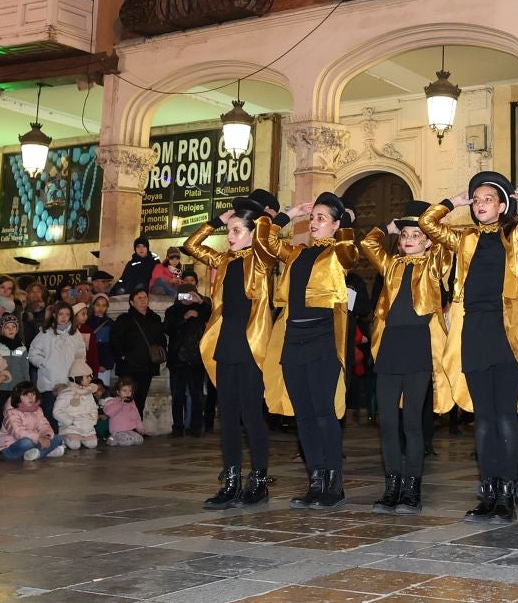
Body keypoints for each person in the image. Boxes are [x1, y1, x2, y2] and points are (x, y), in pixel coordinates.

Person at [423, 171, 518, 523]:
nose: (480, 203)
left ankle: (507, 491)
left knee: (505, 416)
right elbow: (428, 223)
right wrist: (451, 203)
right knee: (483, 419)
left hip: (505, 331)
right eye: (476, 199)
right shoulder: (465, 238)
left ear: (502, 205)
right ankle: (488, 489)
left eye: (488, 198)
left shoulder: (514, 235)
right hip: (473, 330)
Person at [261, 193, 359, 509]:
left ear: (335, 224)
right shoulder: (296, 253)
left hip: (323, 340)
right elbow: (265, 241)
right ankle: (315, 480)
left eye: (322, 218)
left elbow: (351, 254)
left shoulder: (339, 252)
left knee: (323, 413)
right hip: (293, 340)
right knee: (303, 416)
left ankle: (334, 482)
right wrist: (286, 215)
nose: (314, 222)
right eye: (313, 217)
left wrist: (347, 223)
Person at [183, 192, 280, 509]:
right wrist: (217, 221)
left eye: (238, 230)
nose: (231, 235)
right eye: (230, 230)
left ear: (253, 233)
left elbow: (268, 238)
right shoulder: (223, 260)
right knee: (228, 418)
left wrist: (272, 217)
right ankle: (231, 483)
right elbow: (191, 246)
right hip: (226, 343)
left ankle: (260, 482)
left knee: (251, 416)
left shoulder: (261, 259)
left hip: (251, 345)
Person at [358, 198, 453, 515]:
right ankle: (392, 485)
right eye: (404, 235)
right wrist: (385, 228)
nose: (409, 239)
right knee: (387, 422)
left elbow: (440, 236)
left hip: (419, 346)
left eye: (416, 234)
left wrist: (446, 206)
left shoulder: (435, 263)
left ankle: (412, 488)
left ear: (427, 240)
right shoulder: (392, 265)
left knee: (412, 422)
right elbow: (368, 242)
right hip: (390, 348)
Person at [110, 289, 167, 416]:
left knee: (141, 399)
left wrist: (161, 353)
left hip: (147, 366)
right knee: (126, 399)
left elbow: (161, 339)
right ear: (132, 302)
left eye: (145, 297)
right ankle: (124, 428)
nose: (143, 300)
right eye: (139, 298)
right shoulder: (124, 319)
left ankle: (137, 427)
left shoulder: (154, 318)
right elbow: (115, 339)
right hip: (129, 366)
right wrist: (123, 356)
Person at [168, 274, 212, 436]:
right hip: (178, 359)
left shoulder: (202, 310)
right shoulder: (172, 311)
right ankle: (177, 427)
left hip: (196, 359)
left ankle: (196, 427)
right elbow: (168, 329)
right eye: (183, 295)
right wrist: (184, 318)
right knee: (178, 395)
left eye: (190, 295)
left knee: (197, 394)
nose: (186, 298)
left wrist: (201, 303)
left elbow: (215, 316)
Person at [28, 301, 86, 416]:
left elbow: (81, 353)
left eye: (67, 314)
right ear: (54, 315)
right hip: (50, 382)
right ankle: (52, 434)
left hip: (70, 382)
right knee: (50, 412)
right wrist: (44, 363)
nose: (64, 317)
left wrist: (78, 370)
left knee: (68, 413)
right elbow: (33, 352)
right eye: (61, 314)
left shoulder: (75, 334)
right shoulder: (45, 333)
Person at [0, 382, 67, 461]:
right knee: (26, 443)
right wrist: (38, 438)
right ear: (18, 397)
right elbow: (18, 432)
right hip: (11, 446)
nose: (31, 398)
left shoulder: (37, 410)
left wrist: (46, 436)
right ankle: (45, 452)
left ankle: (36, 454)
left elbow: (44, 425)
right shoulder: (11, 412)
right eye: (26, 395)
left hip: (34, 441)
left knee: (57, 438)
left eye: (33, 394)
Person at [54, 359, 101, 449]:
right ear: (77, 377)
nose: (90, 378)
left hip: (86, 425)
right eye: (87, 377)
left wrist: (93, 419)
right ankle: (65, 437)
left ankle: (82, 436)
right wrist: (69, 421)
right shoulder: (66, 393)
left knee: (92, 444)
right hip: (71, 426)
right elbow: (57, 411)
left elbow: (93, 407)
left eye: (90, 376)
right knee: (74, 445)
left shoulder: (88, 392)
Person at [104, 375, 145, 445]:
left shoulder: (132, 403)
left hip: (129, 431)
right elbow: (108, 412)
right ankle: (112, 438)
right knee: (128, 441)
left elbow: (137, 416)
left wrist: (140, 428)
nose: (128, 393)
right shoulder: (113, 401)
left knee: (139, 440)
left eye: (130, 391)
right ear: (118, 392)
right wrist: (121, 404)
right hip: (117, 431)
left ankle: (116, 440)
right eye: (124, 391)